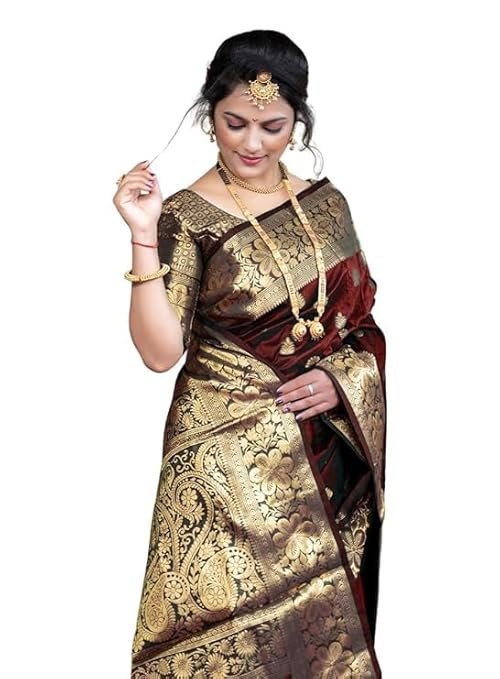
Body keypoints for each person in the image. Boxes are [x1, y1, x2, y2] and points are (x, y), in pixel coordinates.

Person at [112, 29, 387, 679]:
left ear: (299, 121)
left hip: (322, 450)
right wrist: (144, 234)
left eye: (273, 126)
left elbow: (361, 325)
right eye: (235, 123)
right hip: (223, 468)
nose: (253, 143)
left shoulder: (326, 203)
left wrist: (342, 379)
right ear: (210, 114)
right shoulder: (185, 216)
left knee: (321, 641)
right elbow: (160, 352)